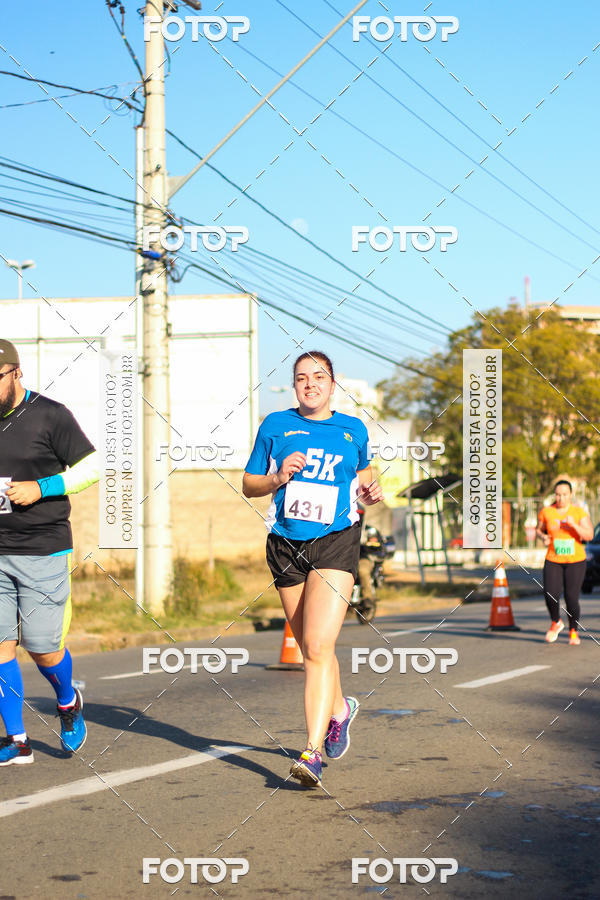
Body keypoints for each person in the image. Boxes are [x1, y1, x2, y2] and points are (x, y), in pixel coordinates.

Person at [243, 351, 382, 787]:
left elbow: (364, 474)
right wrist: (277, 478)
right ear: (294, 385)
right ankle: (341, 709)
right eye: (301, 378)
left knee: (319, 645)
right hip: (285, 543)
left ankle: (312, 752)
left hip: (336, 540)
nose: (310, 384)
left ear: (333, 383)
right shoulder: (275, 426)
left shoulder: (352, 428)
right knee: (310, 647)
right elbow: (249, 484)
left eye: (318, 377)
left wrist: (371, 491)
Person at [0, 340, 99, 765]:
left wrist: (42, 487)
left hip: (42, 548)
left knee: (43, 648)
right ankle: (17, 740)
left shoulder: (49, 414)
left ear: (16, 374)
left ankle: (66, 700)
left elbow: (92, 468)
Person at [536, 480, 593, 646]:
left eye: (564, 494)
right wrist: (543, 537)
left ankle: (573, 631)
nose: (561, 498)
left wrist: (573, 525)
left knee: (571, 598)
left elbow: (589, 535)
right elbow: (539, 529)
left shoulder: (578, 512)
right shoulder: (547, 512)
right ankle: (556, 622)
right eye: (558, 494)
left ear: (570, 495)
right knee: (550, 593)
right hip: (553, 558)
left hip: (575, 561)